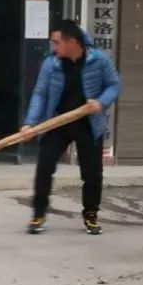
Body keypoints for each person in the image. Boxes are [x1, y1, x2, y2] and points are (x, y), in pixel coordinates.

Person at [22, 19, 121, 236]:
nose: (53, 47)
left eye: (57, 43)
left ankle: (91, 216)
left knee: (92, 173)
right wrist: (30, 123)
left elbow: (114, 85)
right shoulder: (51, 64)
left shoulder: (99, 60)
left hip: (88, 124)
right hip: (58, 122)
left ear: (72, 42)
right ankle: (38, 214)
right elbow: (40, 94)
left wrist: (101, 103)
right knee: (45, 166)